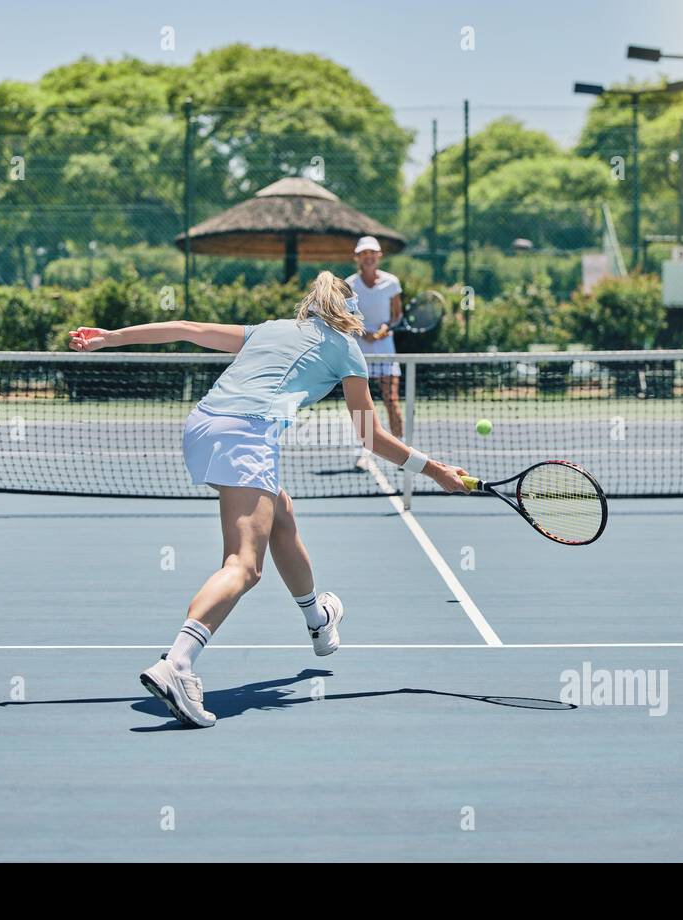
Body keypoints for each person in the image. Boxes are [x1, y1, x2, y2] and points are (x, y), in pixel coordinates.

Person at [68, 272, 467, 728]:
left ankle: (318, 620)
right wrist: (435, 471)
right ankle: (176, 664)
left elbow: (186, 328)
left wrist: (109, 338)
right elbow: (370, 436)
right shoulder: (347, 348)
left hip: (202, 426)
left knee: (281, 511)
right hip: (247, 435)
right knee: (244, 565)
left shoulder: (270, 328)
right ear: (349, 314)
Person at [346, 236, 405, 438]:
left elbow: (397, 316)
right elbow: (345, 319)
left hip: (385, 348)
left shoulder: (391, 283)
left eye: (372, 253)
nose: (368, 257)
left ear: (379, 256)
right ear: (357, 257)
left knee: (391, 399)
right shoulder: (349, 285)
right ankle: (363, 448)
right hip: (358, 350)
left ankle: (402, 446)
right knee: (361, 404)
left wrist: (385, 328)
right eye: (364, 253)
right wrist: (363, 332)